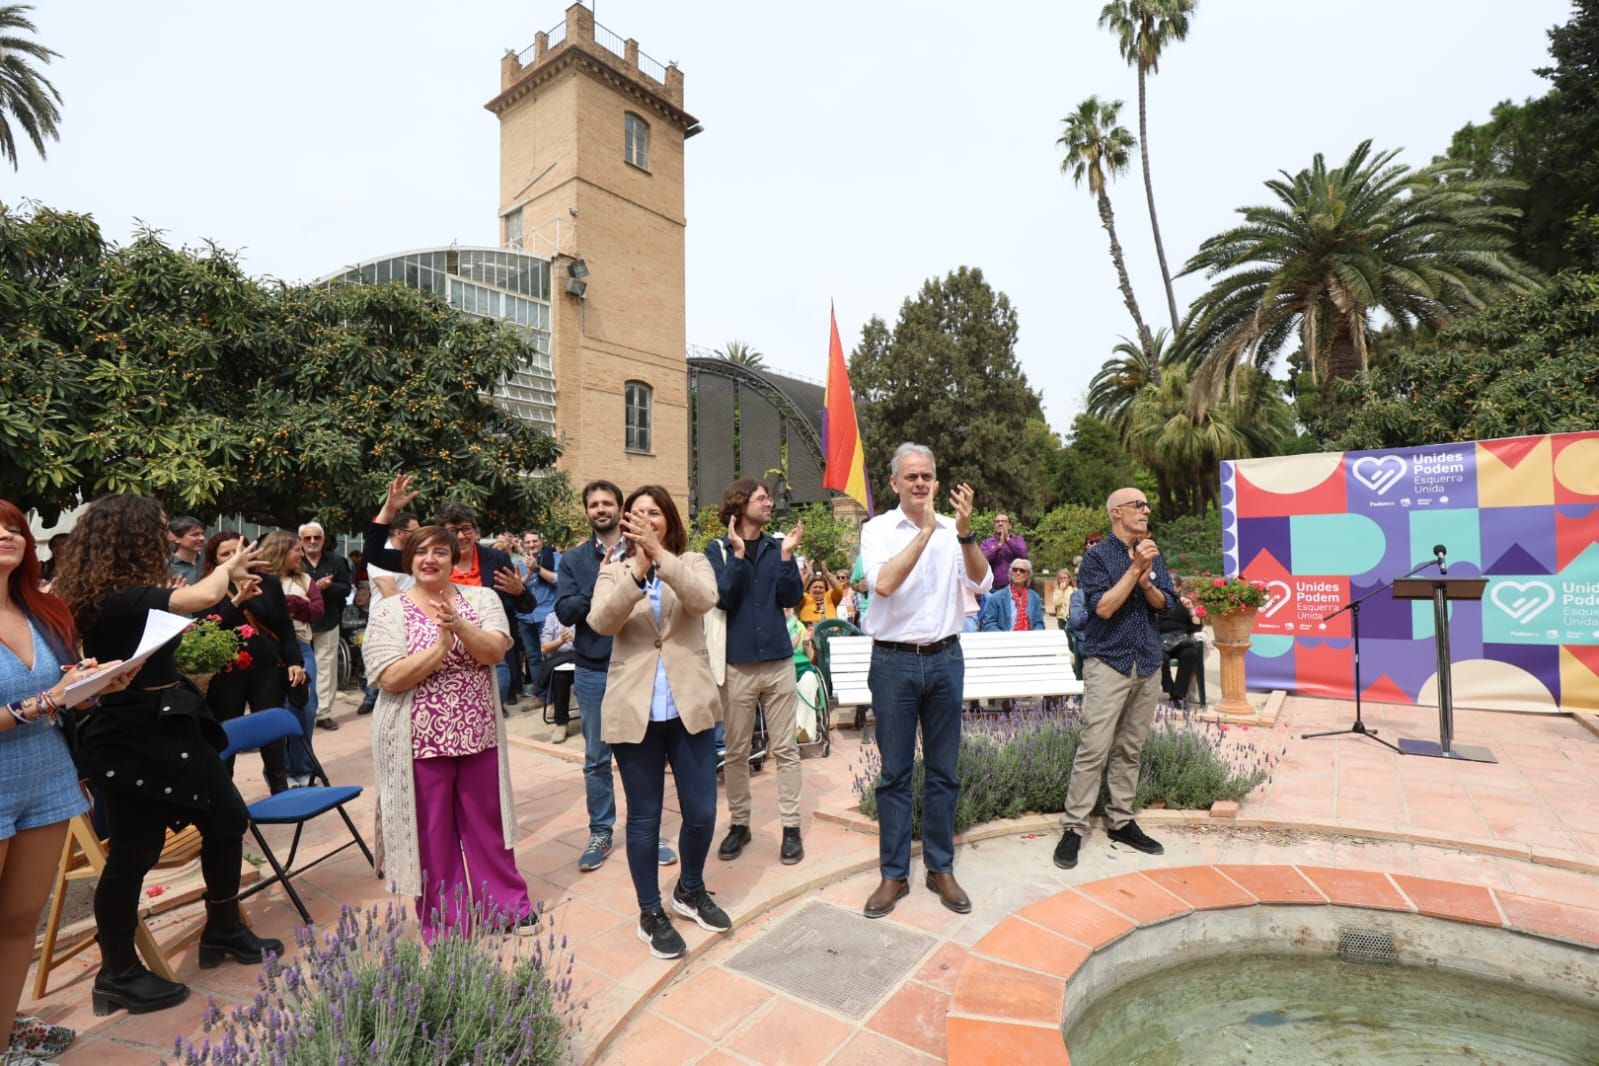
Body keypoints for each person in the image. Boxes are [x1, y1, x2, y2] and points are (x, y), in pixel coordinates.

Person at [52, 495, 282, 1017]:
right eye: (156, 529)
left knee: (226, 819)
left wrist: (226, 597)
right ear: (131, 537)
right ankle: (117, 973)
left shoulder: (130, 595)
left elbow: (173, 632)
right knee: (135, 854)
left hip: (172, 724)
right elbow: (194, 599)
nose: (164, 536)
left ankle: (222, 928)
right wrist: (224, 568)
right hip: (131, 738)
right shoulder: (116, 595)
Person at [0, 501, 131, 1063]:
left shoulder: (43, 609)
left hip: (49, 779)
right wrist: (44, 702)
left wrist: (99, 683)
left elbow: (65, 690)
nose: (7, 535)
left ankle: (3, 1033)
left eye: (14, 528)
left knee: (18, 920)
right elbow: (43, 701)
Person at [362, 525, 534, 944]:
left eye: (441, 551)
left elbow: (494, 651)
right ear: (410, 561)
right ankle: (446, 923)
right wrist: (439, 648)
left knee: (487, 828)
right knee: (432, 837)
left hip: (479, 735)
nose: (430, 559)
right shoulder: (390, 610)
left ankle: (506, 907)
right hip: (418, 744)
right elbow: (388, 677)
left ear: (454, 558)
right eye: (421, 552)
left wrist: (458, 626)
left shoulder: (481, 598)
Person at [589, 485, 730, 960]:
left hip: (688, 707)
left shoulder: (690, 563)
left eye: (655, 513)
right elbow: (602, 622)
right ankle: (651, 912)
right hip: (636, 713)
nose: (646, 519)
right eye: (638, 514)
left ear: (668, 520)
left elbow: (705, 599)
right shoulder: (612, 571)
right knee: (645, 818)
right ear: (626, 522)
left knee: (703, 812)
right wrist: (638, 567)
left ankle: (689, 889)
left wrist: (659, 557)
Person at [857, 443, 991, 919]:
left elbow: (982, 582)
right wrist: (926, 532)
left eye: (927, 476)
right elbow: (886, 584)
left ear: (936, 482)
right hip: (893, 663)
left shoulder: (955, 533)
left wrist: (965, 533)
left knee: (944, 772)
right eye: (910, 476)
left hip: (944, 659)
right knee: (894, 775)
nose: (920, 483)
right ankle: (893, 875)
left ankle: (940, 868)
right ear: (895, 484)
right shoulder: (875, 531)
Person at [555, 480, 677, 873]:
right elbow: (567, 611)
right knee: (596, 757)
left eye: (608, 503)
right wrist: (605, 579)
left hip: (639, 668)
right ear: (587, 511)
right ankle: (601, 831)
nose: (601, 509)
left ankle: (649, 830)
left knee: (645, 755)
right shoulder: (574, 561)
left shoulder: (645, 549)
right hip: (594, 668)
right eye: (594, 504)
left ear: (621, 509)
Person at [1053, 489, 1177, 871]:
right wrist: (1134, 571)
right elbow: (1102, 608)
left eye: (1146, 504)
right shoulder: (1096, 558)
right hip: (1109, 663)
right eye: (1139, 505)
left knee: (1131, 748)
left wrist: (1147, 581)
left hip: (1147, 661)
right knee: (1094, 747)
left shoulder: (1154, 552)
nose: (1147, 510)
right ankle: (1074, 827)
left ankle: (1121, 820)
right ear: (1117, 513)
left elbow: (1166, 604)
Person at [705, 479, 806, 866]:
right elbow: (724, 598)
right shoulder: (716, 550)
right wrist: (737, 554)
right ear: (739, 504)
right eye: (761, 498)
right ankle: (740, 825)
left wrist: (786, 558)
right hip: (738, 666)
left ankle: (792, 828)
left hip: (780, 662)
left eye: (768, 498)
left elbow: (790, 597)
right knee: (736, 752)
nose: (769, 503)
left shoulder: (776, 546)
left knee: (786, 749)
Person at [363, 483, 532, 710]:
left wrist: (519, 592)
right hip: (430, 656)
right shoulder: (426, 561)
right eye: (453, 530)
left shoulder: (495, 560)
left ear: (475, 531)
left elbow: (527, 606)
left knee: (488, 711)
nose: (461, 536)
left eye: (466, 529)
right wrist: (388, 511)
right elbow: (373, 554)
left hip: (486, 652)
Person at [200, 532, 310, 795]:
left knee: (271, 733)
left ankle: (280, 787)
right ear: (214, 561)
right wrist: (238, 599)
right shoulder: (207, 587)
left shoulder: (269, 583)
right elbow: (207, 628)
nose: (232, 558)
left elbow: (284, 627)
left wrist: (295, 661)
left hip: (268, 668)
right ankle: (225, 795)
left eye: (235, 551)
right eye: (224, 554)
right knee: (225, 733)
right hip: (227, 672)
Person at [256, 531, 324, 787]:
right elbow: (266, 613)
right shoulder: (259, 579)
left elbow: (316, 610)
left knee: (305, 708)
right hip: (270, 651)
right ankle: (279, 770)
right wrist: (296, 603)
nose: (302, 554)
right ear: (281, 551)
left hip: (302, 648)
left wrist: (290, 602)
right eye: (297, 549)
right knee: (276, 710)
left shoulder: (305, 579)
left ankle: (303, 768)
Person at [355, 512, 418, 717]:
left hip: (412, 623)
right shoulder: (379, 557)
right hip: (387, 624)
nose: (420, 536)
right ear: (400, 533)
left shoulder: (414, 556)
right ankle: (376, 707)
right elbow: (391, 593)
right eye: (415, 532)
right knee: (388, 679)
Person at [298, 522, 351, 732]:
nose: (312, 542)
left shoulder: (336, 561)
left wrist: (329, 587)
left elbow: (346, 589)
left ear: (323, 539)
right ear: (301, 541)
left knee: (327, 669)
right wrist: (314, 587)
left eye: (316, 538)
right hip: (300, 623)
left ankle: (324, 714)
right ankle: (303, 711)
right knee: (300, 668)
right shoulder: (295, 561)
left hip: (328, 621)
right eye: (307, 538)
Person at [1160, 575, 1205, 708]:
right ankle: (1171, 691)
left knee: (1190, 654)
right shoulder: (1156, 602)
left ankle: (1179, 694)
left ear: (1178, 587)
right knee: (1159, 657)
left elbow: (1196, 627)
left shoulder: (1184, 605)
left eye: (1172, 584)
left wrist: (1191, 609)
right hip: (1161, 641)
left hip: (1180, 641)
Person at [537, 611, 576, 739]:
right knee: (560, 677)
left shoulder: (585, 614)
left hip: (582, 656)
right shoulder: (552, 617)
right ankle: (561, 723)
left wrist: (576, 639)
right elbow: (544, 649)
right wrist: (561, 640)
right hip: (560, 658)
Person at [978, 557, 1045, 631]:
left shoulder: (1034, 597)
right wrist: (1004, 638)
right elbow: (989, 624)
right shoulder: (996, 597)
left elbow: (1039, 623)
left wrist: (1034, 637)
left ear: (1027, 575)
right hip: (1005, 639)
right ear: (1011, 573)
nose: (1018, 573)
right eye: (1015, 570)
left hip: (1028, 639)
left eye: (1022, 571)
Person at [168, 516, 206, 587]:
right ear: (176, 539)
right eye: (195, 535)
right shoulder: (168, 566)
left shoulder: (208, 561)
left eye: (202, 534)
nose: (202, 538)